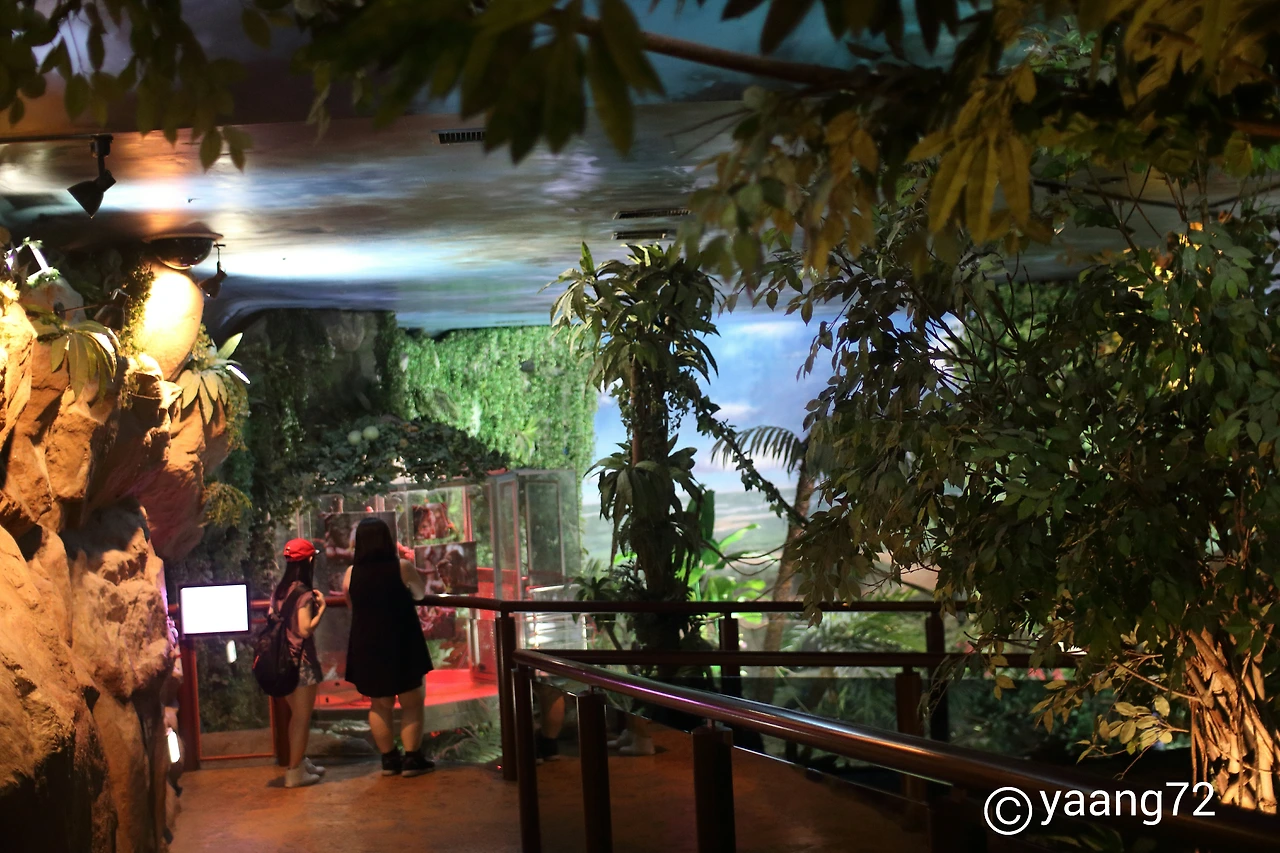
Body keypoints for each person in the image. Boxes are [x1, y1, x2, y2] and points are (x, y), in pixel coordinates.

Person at [343, 517, 435, 777]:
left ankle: (389, 760)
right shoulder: (402, 568)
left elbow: (351, 604)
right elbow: (420, 593)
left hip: (368, 644)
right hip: (401, 641)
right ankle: (412, 759)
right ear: (387, 539)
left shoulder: (351, 573)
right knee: (412, 702)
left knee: (379, 704)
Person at [273, 538, 329, 788]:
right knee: (302, 718)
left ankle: (300, 761)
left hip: (281, 661)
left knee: (296, 716)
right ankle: (294, 771)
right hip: (301, 663)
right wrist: (322, 609)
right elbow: (305, 629)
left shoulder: (280, 590)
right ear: (309, 560)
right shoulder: (304, 593)